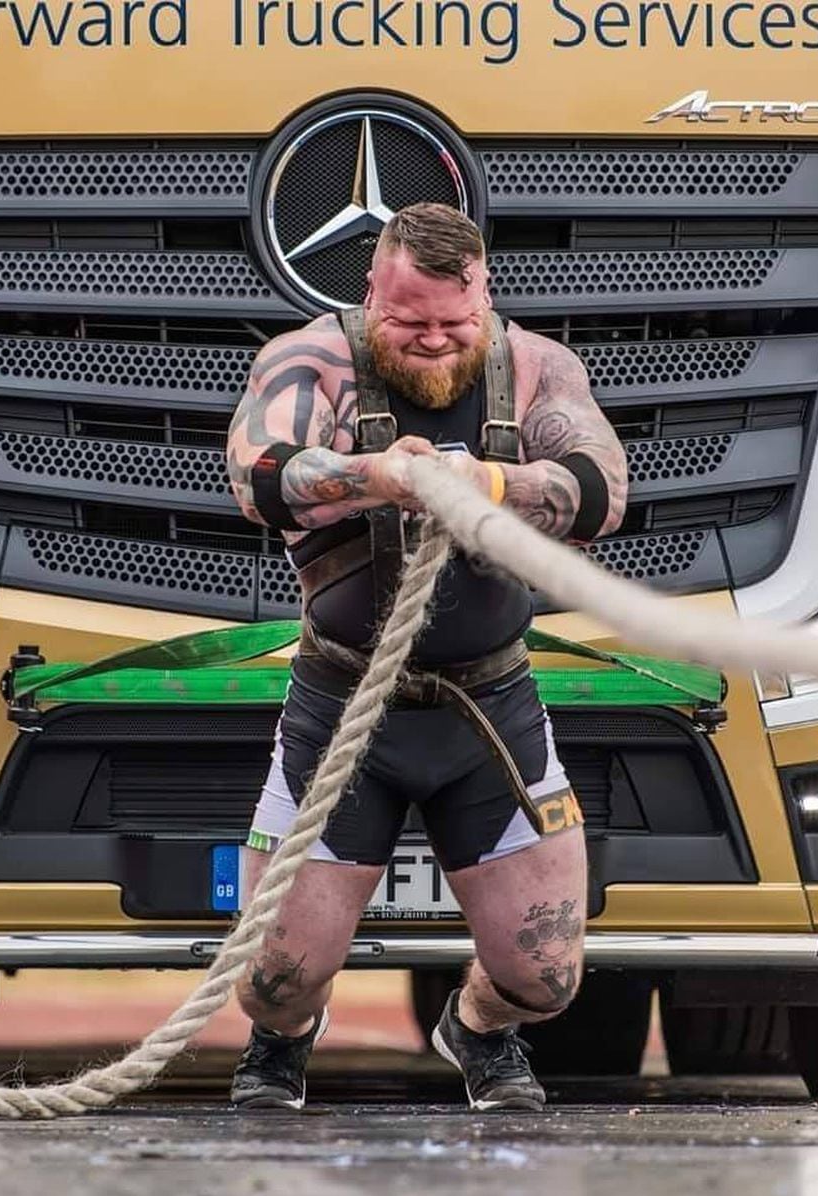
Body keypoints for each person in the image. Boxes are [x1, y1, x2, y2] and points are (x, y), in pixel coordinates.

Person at [225, 202, 629, 1111]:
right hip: (343, 708)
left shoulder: (534, 367)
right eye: (411, 324)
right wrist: (381, 476)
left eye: (456, 322)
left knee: (548, 978)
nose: (438, 343)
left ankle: (479, 1031)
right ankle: (282, 1043)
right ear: (372, 292)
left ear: (484, 294)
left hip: (489, 709)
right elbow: (258, 473)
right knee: (273, 977)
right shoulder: (315, 359)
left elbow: (601, 491)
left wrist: (488, 483)